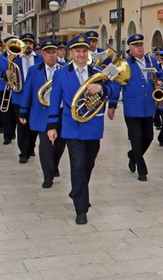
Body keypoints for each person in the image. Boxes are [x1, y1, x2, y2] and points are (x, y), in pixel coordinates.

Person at [47, 34, 119, 225]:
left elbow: (116, 87)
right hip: (72, 126)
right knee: (77, 166)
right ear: (70, 53)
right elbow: (54, 101)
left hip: (93, 125)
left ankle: (77, 190)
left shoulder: (99, 72)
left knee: (88, 164)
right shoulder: (61, 74)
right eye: (77, 51)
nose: (81, 54)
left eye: (84, 50)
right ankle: (81, 209)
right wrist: (52, 126)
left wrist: (102, 89)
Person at [109, 34, 163, 182]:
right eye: (136, 45)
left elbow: (160, 75)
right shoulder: (124, 64)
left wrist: (160, 82)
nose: (139, 48)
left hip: (148, 106)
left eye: (141, 45)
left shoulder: (151, 61)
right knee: (136, 138)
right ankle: (142, 170)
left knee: (149, 137)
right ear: (130, 48)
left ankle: (133, 155)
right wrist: (112, 105)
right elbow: (116, 85)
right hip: (132, 107)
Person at [19, 40, 66, 189]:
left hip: (60, 112)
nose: (51, 55)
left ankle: (54, 164)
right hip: (41, 113)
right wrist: (23, 111)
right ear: (43, 54)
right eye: (48, 53)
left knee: (60, 143)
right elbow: (27, 90)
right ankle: (48, 175)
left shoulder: (64, 69)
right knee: (45, 144)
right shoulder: (34, 70)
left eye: (54, 52)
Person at [11, 33, 43, 163]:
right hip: (19, 97)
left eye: (30, 43)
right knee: (22, 126)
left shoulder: (40, 59)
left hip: (36, 98)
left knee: (34, 125)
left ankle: (30, 146)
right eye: (25, 43)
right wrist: (7, 74)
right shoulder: (14, 59)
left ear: (33, 45)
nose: (28, 46)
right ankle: (23, 153)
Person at [0, 36, 18, 144]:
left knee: (15, 113)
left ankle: (12, 132)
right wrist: (3, 74)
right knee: (5, 113)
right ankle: (7, 136)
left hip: (16, 89)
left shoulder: (19, 58)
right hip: (3, 88)